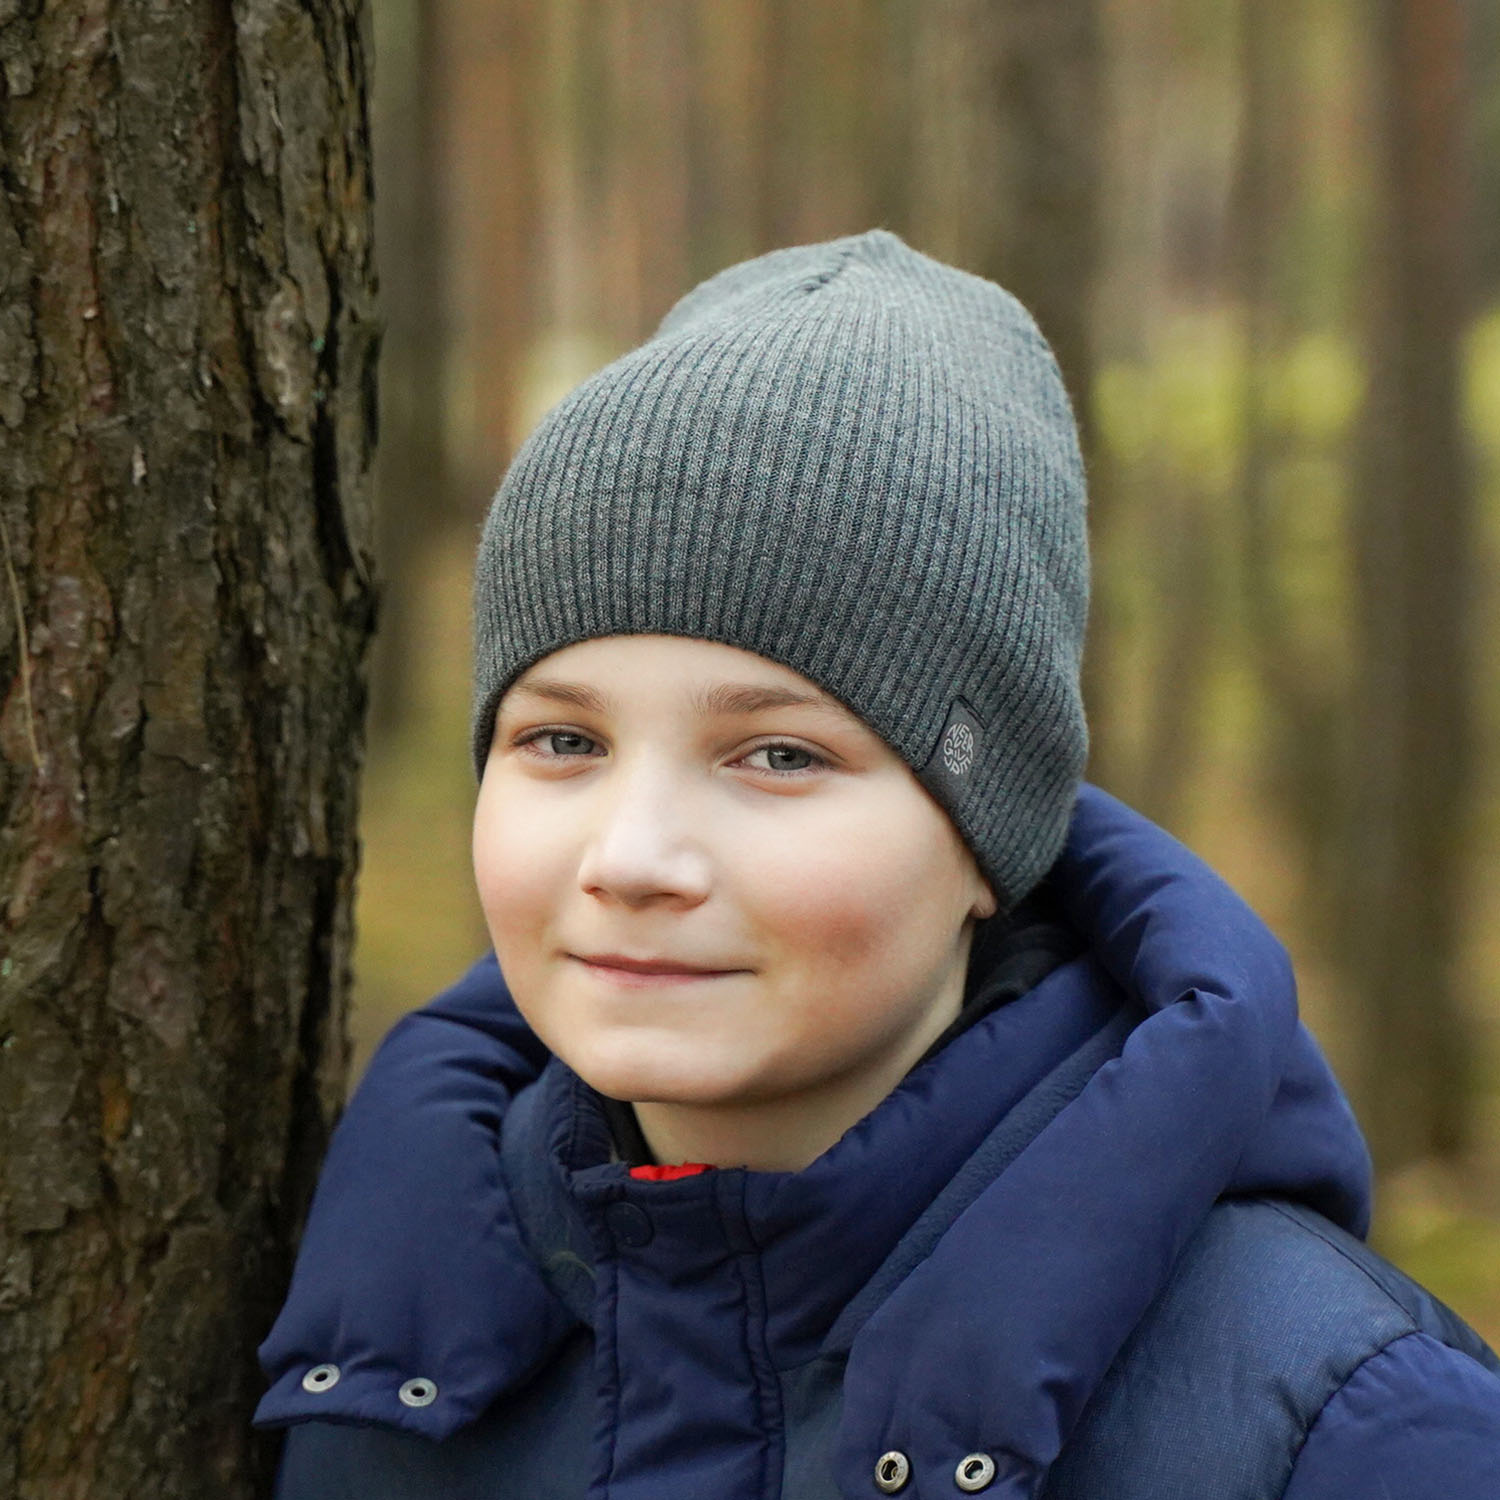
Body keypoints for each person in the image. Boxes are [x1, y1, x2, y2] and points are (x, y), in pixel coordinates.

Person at [254, 230, 1500, 1498]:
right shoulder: (384, 1349)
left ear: (987, 836)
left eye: (779, 756)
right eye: (563, 741)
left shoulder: (1343, 1431)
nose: (630, 858)